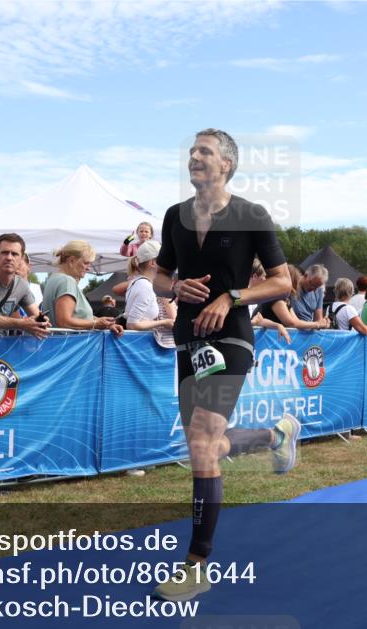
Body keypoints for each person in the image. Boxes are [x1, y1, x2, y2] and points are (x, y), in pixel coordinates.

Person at [150, 128, 300, 602]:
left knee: (199, 443)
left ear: (227, 165)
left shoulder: (251, 215)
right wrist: (174, 289)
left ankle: (196, 565)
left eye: (205, 152)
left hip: (232, 336)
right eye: (192, 151)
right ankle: (276, 436)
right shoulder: (175, 216)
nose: (194, 157)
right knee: (205, 447)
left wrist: (232, 295)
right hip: (187, 340)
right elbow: (158, 275)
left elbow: (281, 283)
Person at [0, 233, 48, 338]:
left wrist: (42, 322)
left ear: (21, 258)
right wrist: (21, 324)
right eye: (5, 253)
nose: (9, 258)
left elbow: (37, 315)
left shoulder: (21, 285)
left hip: (3, 347)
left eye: (14, 254)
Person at [44, 239, 124, 335]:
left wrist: (103, 323)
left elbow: (79, 316)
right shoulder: (67, 281)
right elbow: (64, 321)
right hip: (70, 346)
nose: (89, 268)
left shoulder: (54, 278)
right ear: (72, 260)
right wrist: (95, 323)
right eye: (86, 263)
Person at [124, 240, 175, 336]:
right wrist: (163, 322)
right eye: (163, 260)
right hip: (142, 343)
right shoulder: (145, 286)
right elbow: (132, 325)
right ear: (153, 262)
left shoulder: (137, 282)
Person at [255, 265, 328, 331]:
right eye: (296, 283)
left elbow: (295, 322)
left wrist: (320, 324)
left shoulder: (284, 300)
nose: (295, 288)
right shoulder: (276, 298)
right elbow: (291, 323)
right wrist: (317, 324)